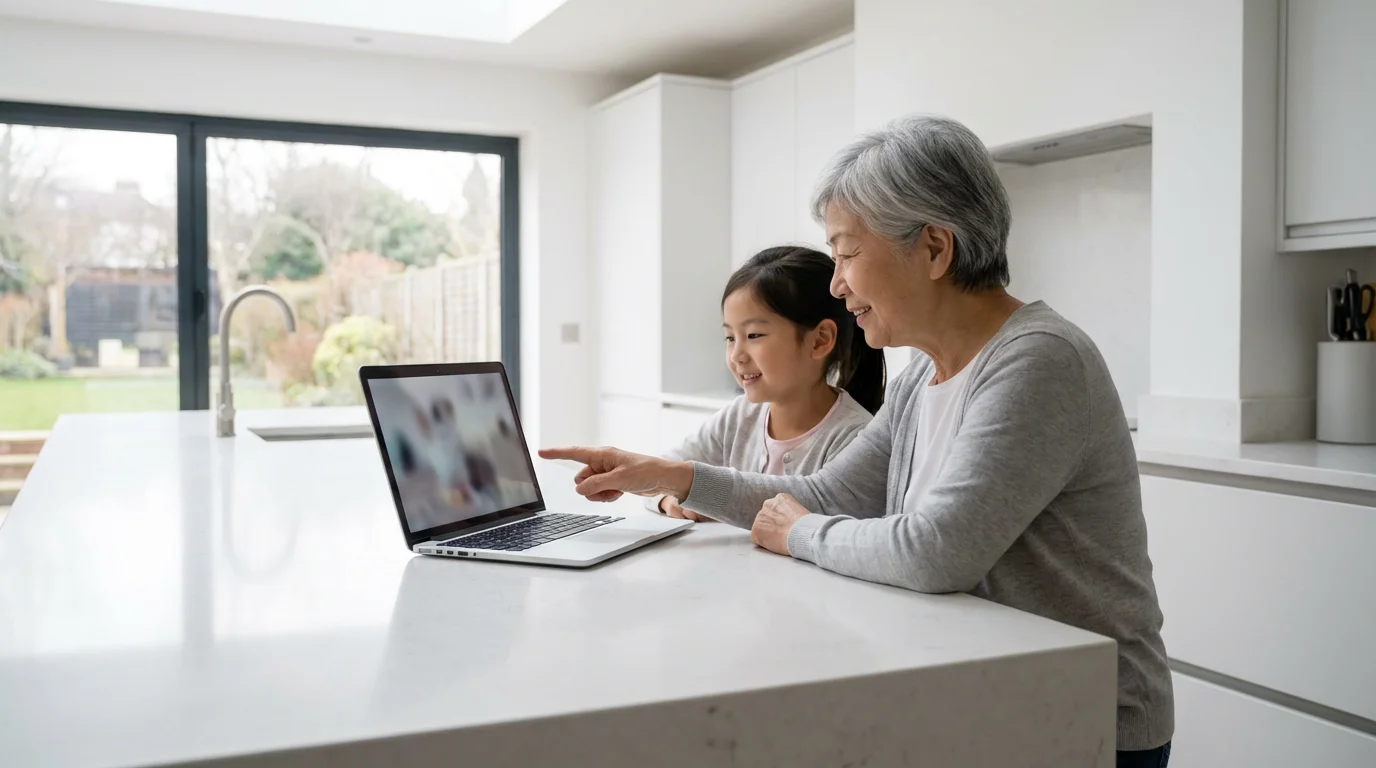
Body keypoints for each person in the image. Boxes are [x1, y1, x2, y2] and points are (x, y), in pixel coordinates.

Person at [543, 114, 1173, 766]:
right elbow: (826, 492)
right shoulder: (918, 378)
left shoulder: (1040, 360)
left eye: (846, 253)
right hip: (986, 694)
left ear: (933, 248)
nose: (837, 283)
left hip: (1086, 719)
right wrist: (671, 476)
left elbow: (936, 550)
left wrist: (800, 534)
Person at [650, 245, 885, 522]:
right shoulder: (739, 417)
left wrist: (690, 487)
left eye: (754, 335)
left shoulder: (854, 438)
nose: (737, 355)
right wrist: (668, 499)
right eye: (730, 338)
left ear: (820, 340)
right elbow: (663, 471)